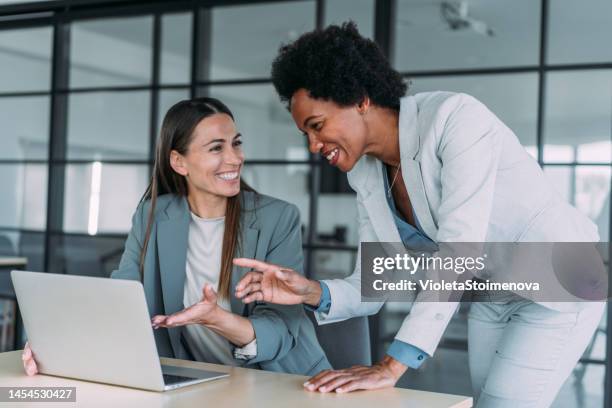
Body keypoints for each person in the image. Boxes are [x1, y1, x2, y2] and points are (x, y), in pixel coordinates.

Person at [232, 22, 606, 406]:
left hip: (562, 277)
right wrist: (309, 290)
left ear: (360, 99)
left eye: (317, 125)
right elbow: (373, 284)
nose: (312, 145)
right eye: (305, 134)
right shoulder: (366, 173)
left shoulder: (454, 119)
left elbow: (460, 251)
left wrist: (391, 365)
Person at [22, 97, 331, 377]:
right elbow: (121, 301)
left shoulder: (277, 217)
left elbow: (281, 329)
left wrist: (217, 319)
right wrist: (57, 346)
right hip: (194, 382)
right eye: (216, 148)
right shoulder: (153, 215)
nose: (235, 158)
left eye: (236, 143)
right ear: (178, 162)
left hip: (279, 381)